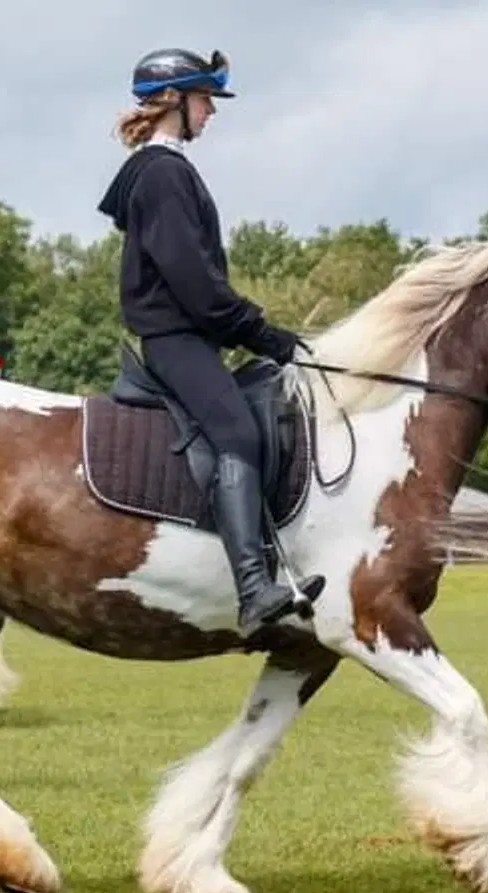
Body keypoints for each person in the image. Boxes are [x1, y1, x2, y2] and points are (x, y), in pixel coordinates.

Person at [96, 48, 325, 635]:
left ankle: (277, 566)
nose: (212, 114)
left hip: (186, 336)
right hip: (175, 338)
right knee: (237, 432)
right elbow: (193, 281)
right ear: (176, 101)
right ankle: (252, 589)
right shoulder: (163, 174)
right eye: (205, 101)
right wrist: (262, 332)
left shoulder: (162, 170)